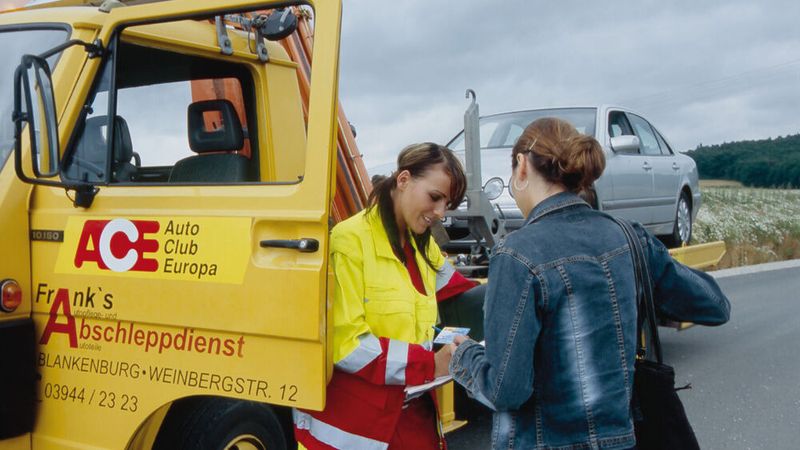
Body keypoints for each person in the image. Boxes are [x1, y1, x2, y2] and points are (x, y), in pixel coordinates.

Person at [448, 118, 731, 450]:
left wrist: (464, 355)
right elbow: (714, 305)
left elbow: (506, 390)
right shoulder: (629, 235)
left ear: (522, 166)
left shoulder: (516, 254)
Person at [293, 142, 475, 449]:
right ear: (403, 180)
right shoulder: (348, 242)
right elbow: (347, 345)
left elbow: (458, 293)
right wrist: (431, 364)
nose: (441, 212)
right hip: (358, 427)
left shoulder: (423, 245)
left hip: (414, 415)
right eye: (435, 197)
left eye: (448, 204)